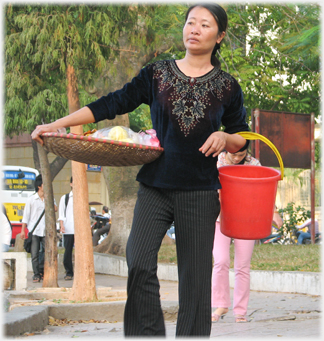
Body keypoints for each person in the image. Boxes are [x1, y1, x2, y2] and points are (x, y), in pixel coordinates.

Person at [31, 3, 250, 336]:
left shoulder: (228, 86)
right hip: (155, 186)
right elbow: (111, 103)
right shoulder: (157, 73)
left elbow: (242, 141)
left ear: (219, 36)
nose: (194, 29)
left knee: (195, 281)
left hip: (201, 192)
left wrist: (225, 136)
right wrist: (56, 124)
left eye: (204, 25)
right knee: (139, 261)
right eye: (190, 22)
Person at [211, 149, 283, 323]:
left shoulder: (253, 164)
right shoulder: (216, 162)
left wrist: (272, 211)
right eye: (233, 154)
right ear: (226, 149)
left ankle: (240, 311)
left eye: (240, 155)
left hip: (247, 219)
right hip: (221, 218)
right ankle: (221, 304)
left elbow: (264, 189)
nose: (237, 158)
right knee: (220, 261)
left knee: (243, 265)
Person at [20, 174, 46, 283]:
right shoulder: (31, 199)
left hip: (45, 230)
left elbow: (55, 209)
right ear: (39, 186)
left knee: (45, 251)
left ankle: (41, 270)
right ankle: (36, 274)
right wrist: (23, 230)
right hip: (34, 230)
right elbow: (26, 216)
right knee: (34, 253)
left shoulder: (49, 198)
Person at [58, 176, 75, 280]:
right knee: (68, 251)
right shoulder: (65, 198)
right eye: (74, 182)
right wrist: (62, 225)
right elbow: (61, 213)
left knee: (79, 251)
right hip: (68, 228)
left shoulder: (82, 196)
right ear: (71, 184)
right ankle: (69, 272)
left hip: (79, 230)